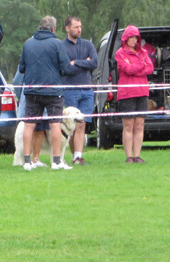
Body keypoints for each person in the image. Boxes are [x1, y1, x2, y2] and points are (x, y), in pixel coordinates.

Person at [18, 16, 72, 171]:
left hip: (32, 90)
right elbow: (66, 67)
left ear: (40, 27)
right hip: (54, 90)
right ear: (53, 29)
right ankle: (56, 161)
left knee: (29, 125)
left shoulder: (28, 44)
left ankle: (28, 161)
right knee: (55, 123)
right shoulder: (57, 44)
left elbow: (22, 68)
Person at [115, 25, 154, 163]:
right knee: (128, 125)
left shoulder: (143, 52)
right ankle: (128, 156)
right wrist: (140, 66)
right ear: (125, 38)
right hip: (126, 93)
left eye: (135, 37)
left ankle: (137, 155)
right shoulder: (120, 53)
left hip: (142, 92)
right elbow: (127, 69)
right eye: (131, 37)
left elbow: (150, 68)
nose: (133, 40)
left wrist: (136, 67)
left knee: (139, 125)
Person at [62, 17, 98, 165]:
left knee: (82, 123)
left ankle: (78, 156)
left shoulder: (88, 45)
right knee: (72, 125)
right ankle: (73, 155)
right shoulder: (61, 46)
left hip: (87, 90)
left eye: (80, 26)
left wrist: (76, 62)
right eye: (76, 27)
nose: (79, 29)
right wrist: (85, 63)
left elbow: (94, 63)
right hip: (70, 90)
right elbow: (66, 68)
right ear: (67, 28)